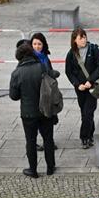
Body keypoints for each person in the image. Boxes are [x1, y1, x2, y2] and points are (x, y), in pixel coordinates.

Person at [9, 33, 60, 178]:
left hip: (28, 113)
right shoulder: (42, 67)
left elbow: (14, 96)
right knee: (48, 139)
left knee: (31, 141)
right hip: (45, 110)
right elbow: (53, 77)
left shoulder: (17, 73)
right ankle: (50, 167)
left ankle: (33, 170)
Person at [65, 27, 99, 149]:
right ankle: (91, 134)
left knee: (88, 112)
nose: (84, 40)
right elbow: (69, 72)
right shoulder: (71, 54)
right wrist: (77, 84)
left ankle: (84, 137)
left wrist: (90, 80)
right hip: (80, 89)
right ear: (74, 40)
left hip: (93, 87)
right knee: (85, 113)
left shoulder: (94, 50)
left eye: (85, 37)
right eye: (80, 38)